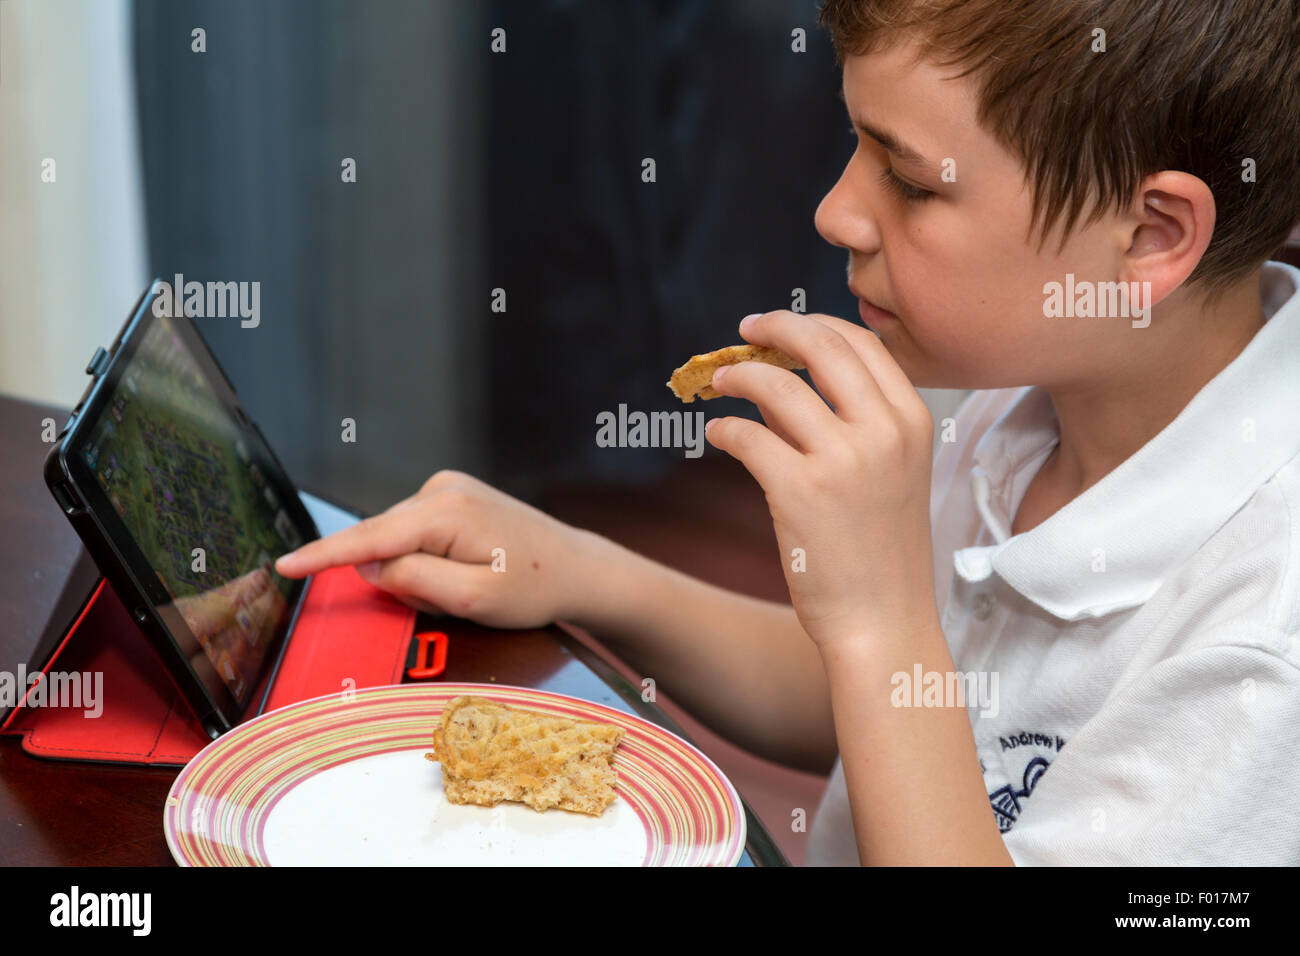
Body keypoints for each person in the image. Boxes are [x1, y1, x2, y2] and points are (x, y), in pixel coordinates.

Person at [275, 0, 1300, 865]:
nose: (835, 212)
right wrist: (582, 572)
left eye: (909, 181)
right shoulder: (1028, 398)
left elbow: (892, 657)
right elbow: (879, 699)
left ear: (1149, 237)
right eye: (854, 144)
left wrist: (880, 613)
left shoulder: (1262, 647)